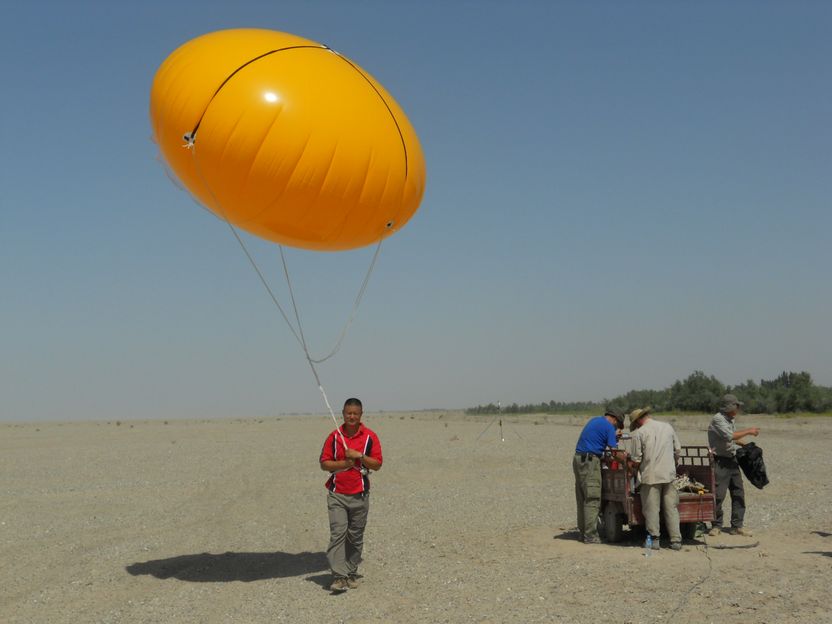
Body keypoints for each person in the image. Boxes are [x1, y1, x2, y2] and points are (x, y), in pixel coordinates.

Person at [319, 398, 383, 592]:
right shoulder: (334, 437)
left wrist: (360, 457)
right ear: (343, 414)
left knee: (355, 536)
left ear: (361, 414)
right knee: (338, 533)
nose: (352, 417)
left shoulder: (370, 437)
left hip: (360, 495)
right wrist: (344, 464)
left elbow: (378, 464)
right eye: (348, 413)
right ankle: (339, 577)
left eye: (355, 413)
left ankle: (351, 571)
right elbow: (324, 463)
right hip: (337, 494)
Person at [628, 407, 682, 551]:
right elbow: (677, 450)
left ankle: (654, 539)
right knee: (671, 508)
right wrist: (673, 464)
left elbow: (636, 459)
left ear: (638, 420)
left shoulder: (639, 433)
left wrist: (633, 470)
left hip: (650, 476)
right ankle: (676, 540)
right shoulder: (667, 427)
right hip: (669, 475)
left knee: (651, 508)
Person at [707, 394, 760, 536]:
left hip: (732, 460)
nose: (738, 408)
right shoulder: (718, 419)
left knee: (738, 492)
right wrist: (749, 431)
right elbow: (729, 436)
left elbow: (730, 439)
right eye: (737, 405)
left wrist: (745, 445)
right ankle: (716, 525)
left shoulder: (730, 419)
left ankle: (737, 526)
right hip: (720, 461)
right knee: (718, 495)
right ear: (730, 407)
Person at [573, 408, 624, 544]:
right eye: (618, 425)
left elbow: (599, 442)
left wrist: (613, 437)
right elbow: (615, 452)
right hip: (590, 461)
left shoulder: (595, 421)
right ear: (614, 419)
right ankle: (590, 536)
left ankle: (583, 532)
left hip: (579, 459)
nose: (616, 428)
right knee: (593, 498)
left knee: (582, 497)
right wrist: (627, 461)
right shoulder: (608, 427)